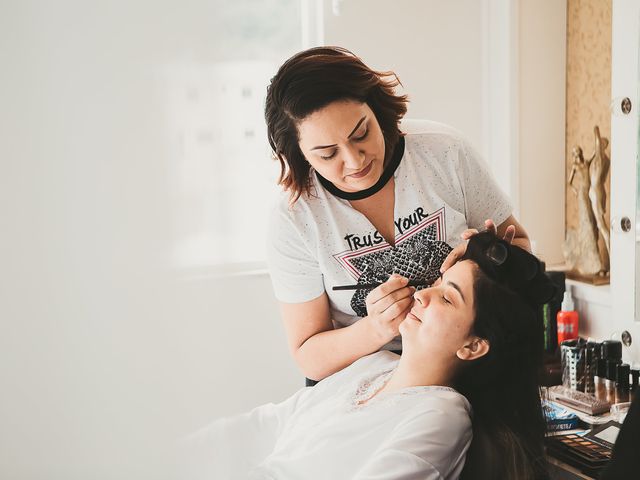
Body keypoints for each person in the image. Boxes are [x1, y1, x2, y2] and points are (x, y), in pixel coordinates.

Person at [180, 232, 555, 480]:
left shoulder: (442, 416)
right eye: (438, 283)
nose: (424, 293)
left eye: (447, 296)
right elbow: (272, 422)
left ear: (473, 345)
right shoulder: (373, 365)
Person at [265, 46, 531, 383]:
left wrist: (490, 256)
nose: (354, 161)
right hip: (361, 388)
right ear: (299, 155)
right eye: (328, 154)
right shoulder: (295, 216)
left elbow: (520, 246)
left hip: (465, 373)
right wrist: (373, 330)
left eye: (361, 134)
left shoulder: (444, 153)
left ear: (376, 108)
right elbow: (309, 356)